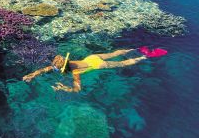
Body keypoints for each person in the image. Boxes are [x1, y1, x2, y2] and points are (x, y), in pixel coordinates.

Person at [22, 47, 167, 92]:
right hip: (91, 58)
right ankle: (134, 49)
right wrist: (32, 75)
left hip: (97, 65)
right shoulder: (68, 64)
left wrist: (63, 88)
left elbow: (77, 88)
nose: (53, 68)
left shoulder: (75, 72)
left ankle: (144, 57)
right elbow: (47, 69)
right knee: (114, 53)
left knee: (122, 64)